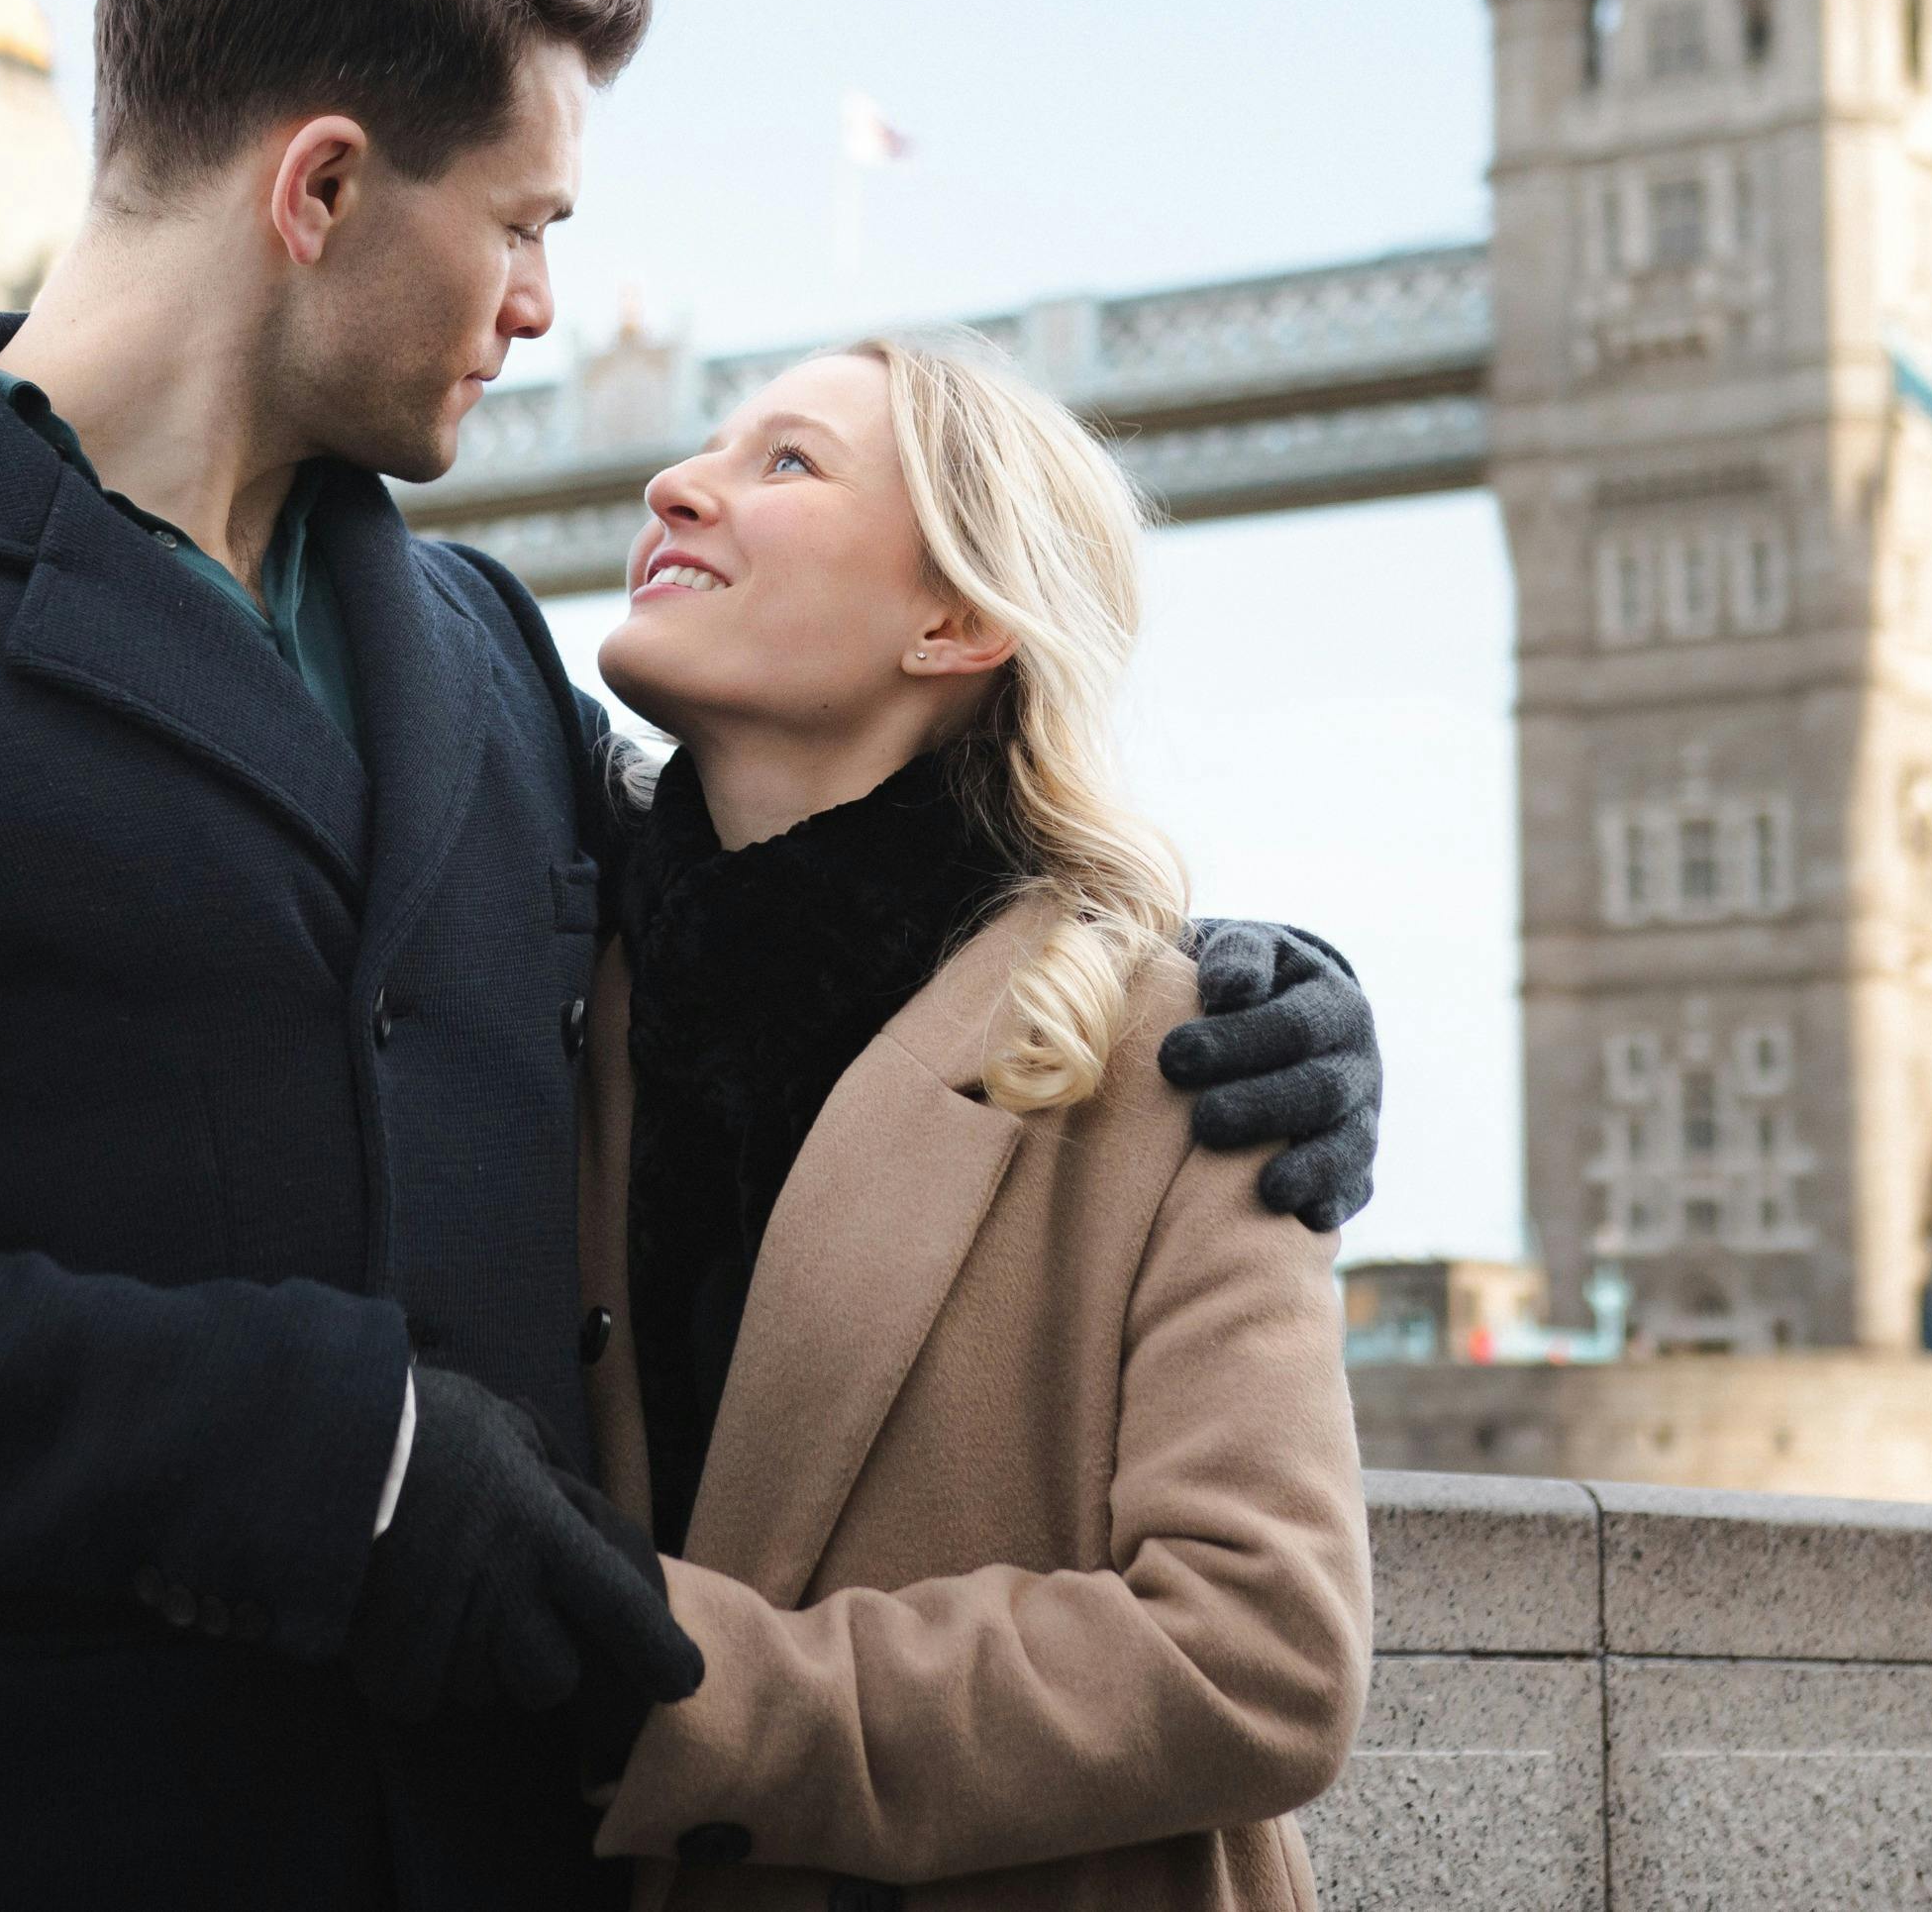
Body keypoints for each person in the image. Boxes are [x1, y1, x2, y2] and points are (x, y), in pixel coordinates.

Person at [0, 0, 1384, 1910]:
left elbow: (803, 891)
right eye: (527, 222)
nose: (548, 304)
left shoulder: (470, 649)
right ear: (321, 188)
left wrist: (1225, 990)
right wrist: (307, 1449)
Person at [568, 337, 1369, 1909]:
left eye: (785, 461)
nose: (675, 482)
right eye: (709, 449)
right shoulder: (549, 1001)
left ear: (956, 619)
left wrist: (693, 1699)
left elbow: (1267, 1650)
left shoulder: (1161, 1050)